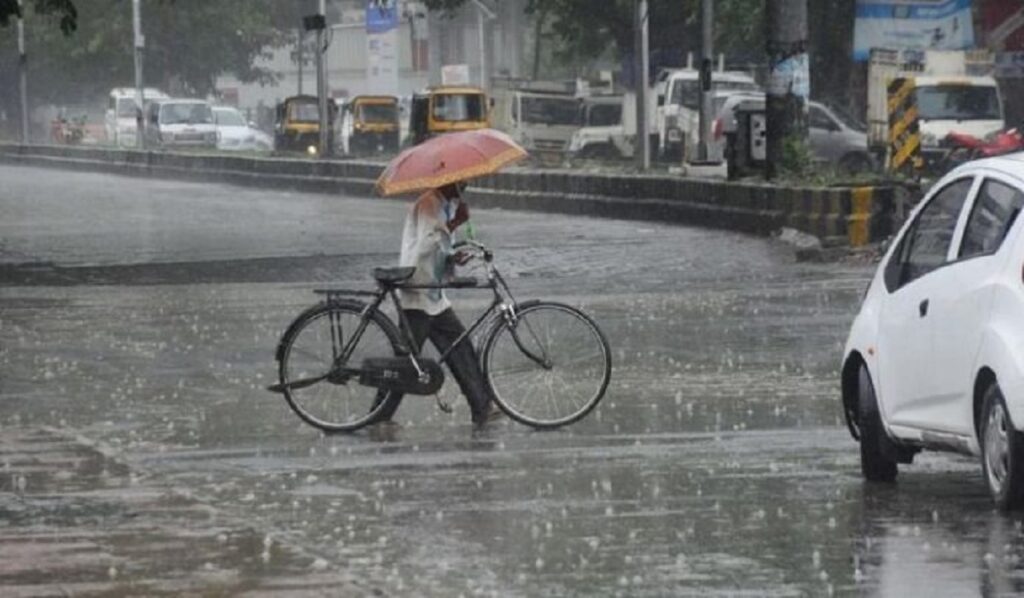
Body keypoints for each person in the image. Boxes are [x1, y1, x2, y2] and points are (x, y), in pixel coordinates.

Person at [372, 181, 495, 425]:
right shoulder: (429, 202)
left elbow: (440, 245)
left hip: (434, 295)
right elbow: (425, 245)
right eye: (461, 183)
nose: (464, 188)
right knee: (407, 363)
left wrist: (453, 254)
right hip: (418, 291)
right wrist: (453, 224)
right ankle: (378, 414)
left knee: (460, 347)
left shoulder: (445, 204)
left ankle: (482, 407)